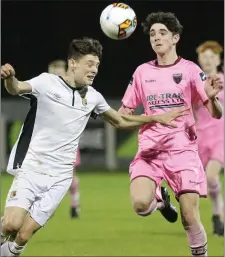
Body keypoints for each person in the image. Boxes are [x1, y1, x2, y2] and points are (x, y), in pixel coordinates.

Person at [0, 37, 189, 256]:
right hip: (33, 167)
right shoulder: (46, 82)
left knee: (23, 235)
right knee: (10, 226)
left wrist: (157, 117)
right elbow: (16, 88)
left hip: (61, 176)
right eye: (89, 64)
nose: (94, 70)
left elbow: (120, 121)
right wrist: (9, 78)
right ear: (73, 63)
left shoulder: (93, 97)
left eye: (97, 65)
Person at [118, 12, 223, 257]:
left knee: (188, 217)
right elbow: (123, 115)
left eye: (163, 33)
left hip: (183, 151)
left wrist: (212, 96)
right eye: (152, 34)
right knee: (141, 206)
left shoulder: (190, 70)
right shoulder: (142, 72)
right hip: (150, 152)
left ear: (175, 38)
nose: (156, 38)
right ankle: (162, 202)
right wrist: (150, 118)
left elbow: (216, 114)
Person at [195, 41, 224, 236]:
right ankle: (206, 218)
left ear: (219, 60)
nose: (207, 60)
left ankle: (218, 217)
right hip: (199, 138)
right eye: (204, 57)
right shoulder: (195, 82)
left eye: (211, 57)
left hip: (220, 137)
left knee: (212, 176)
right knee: (198, 185)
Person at [48, 59, 81, 218]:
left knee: (70, 175)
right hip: (49, 143)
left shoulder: (74, 93)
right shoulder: (44, 93)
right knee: (46, 176)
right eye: (55, 75)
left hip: (68, 141)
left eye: (61, 74)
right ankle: (47, 206)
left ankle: (75, 206)